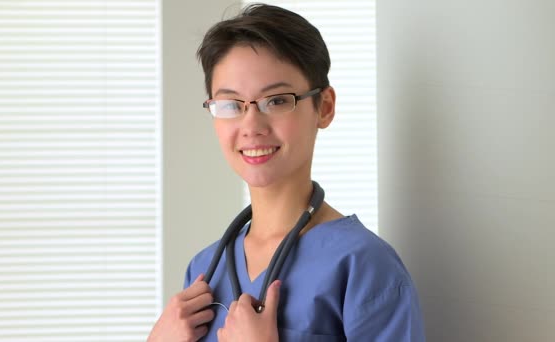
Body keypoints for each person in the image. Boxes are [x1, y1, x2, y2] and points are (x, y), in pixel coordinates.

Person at [148, 3, 425, 341]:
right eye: (232, 105)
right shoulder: (205, 269)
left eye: (277, 100)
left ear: (324, 107)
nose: (251, 126)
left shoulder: (363, 267)